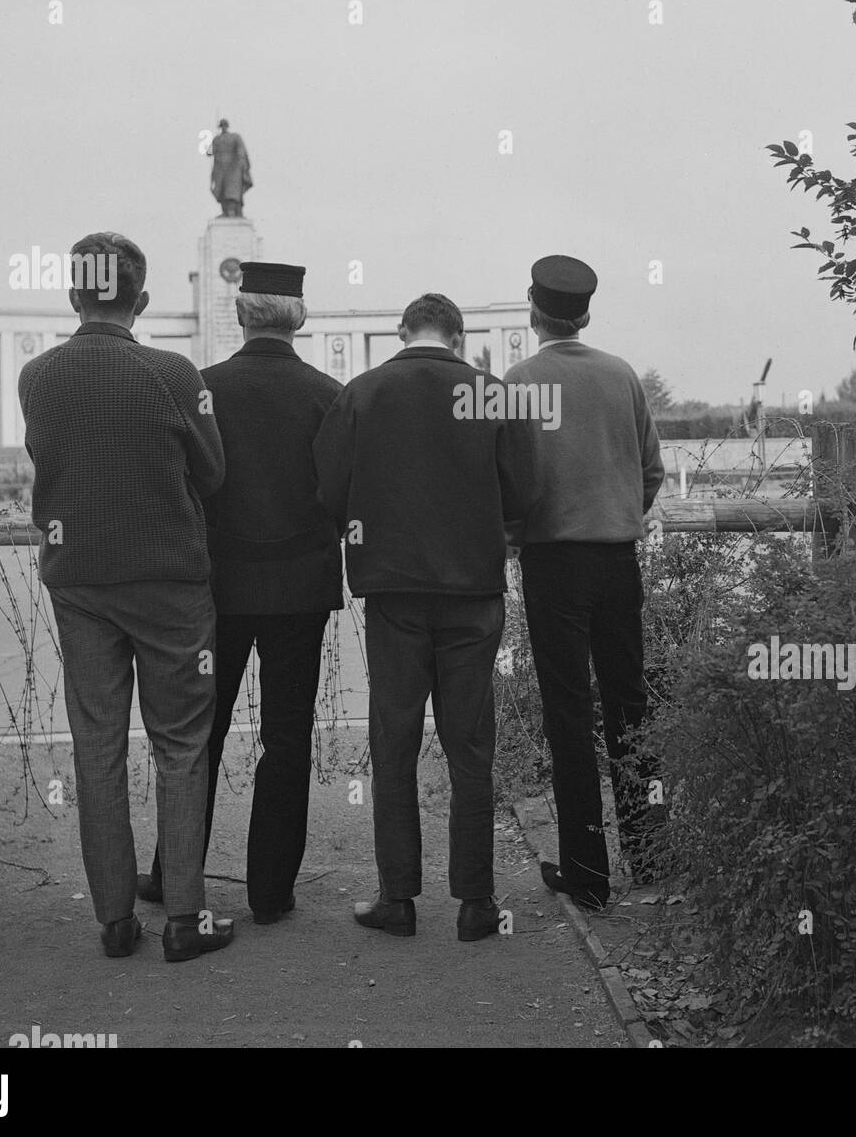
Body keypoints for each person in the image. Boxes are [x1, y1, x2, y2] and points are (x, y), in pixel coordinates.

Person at [18, 232, 235, 963]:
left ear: (74, 294)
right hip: (169, 583)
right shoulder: (174, 373)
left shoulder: (36, 376)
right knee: (180, 744)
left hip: (78, 580)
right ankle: (184, 918)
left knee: (97, 744)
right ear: (139, 299)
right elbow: (213, 473)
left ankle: (114, 919)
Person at [312, 293, 530, 942]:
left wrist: (362, 532)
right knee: (470, 747)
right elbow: (523, 493)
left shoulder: (363, 393)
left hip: (395, 591)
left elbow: (328, 488)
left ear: (402, 331)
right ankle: (477, 904)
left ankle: (397, 898)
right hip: (474, 593)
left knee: (394, 741)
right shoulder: (491, 394)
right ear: (458, 337)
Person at [140, 263, 343, 923]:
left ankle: (175, 875)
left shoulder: (205, 388)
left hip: (218, 587)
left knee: (201, 731)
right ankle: (271, 890)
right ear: (299, 315)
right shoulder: (328, 394)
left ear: (242, 313)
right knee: (286, 737)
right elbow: (339, 495)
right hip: (300, 588)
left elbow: (184, 482)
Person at [504, 256, 664, 912]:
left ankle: (587, 873)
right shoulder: (620, 375)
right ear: (586, 313)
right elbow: (651, 471)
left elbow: (509, 484)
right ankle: (652, 857)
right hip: (616, 558)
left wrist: (518, 533)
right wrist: (618, 513)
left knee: (567, 715)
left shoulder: (520, 381)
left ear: (534, 311)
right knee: (632, 705)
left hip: (552, 563)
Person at [208, 119, 252, 217]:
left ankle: (232, 211)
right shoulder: (217, 139)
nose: (223, 127)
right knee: (222, 190)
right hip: (220, 169)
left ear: (227, 126)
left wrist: (241, 162)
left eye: (224, 125)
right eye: (222, 126)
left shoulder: (235, 137)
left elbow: (241, 150)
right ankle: (226, 212)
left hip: (233, 168)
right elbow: (209, 152)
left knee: (231, 191)